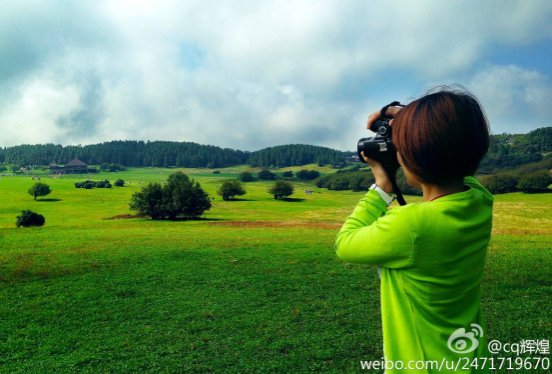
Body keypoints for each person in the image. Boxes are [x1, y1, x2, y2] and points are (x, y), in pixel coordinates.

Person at [335, 86, 493, 373]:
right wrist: (415, 122)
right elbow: (456, 144)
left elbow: (345, 243)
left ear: (414, 154)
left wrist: (381, 188)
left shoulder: (410, 225)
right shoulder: (479, 201)